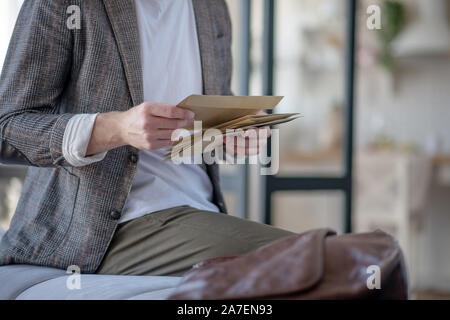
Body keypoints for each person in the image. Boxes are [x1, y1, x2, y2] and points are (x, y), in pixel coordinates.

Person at [0, 0, 293, 276]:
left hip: (202, 210)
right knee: (311, 256)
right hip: (105, 229)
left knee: (317, 259)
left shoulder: (211, 7)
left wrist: (236, 131)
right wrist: (116, 128)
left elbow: (207, 121)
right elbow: (8, 128)